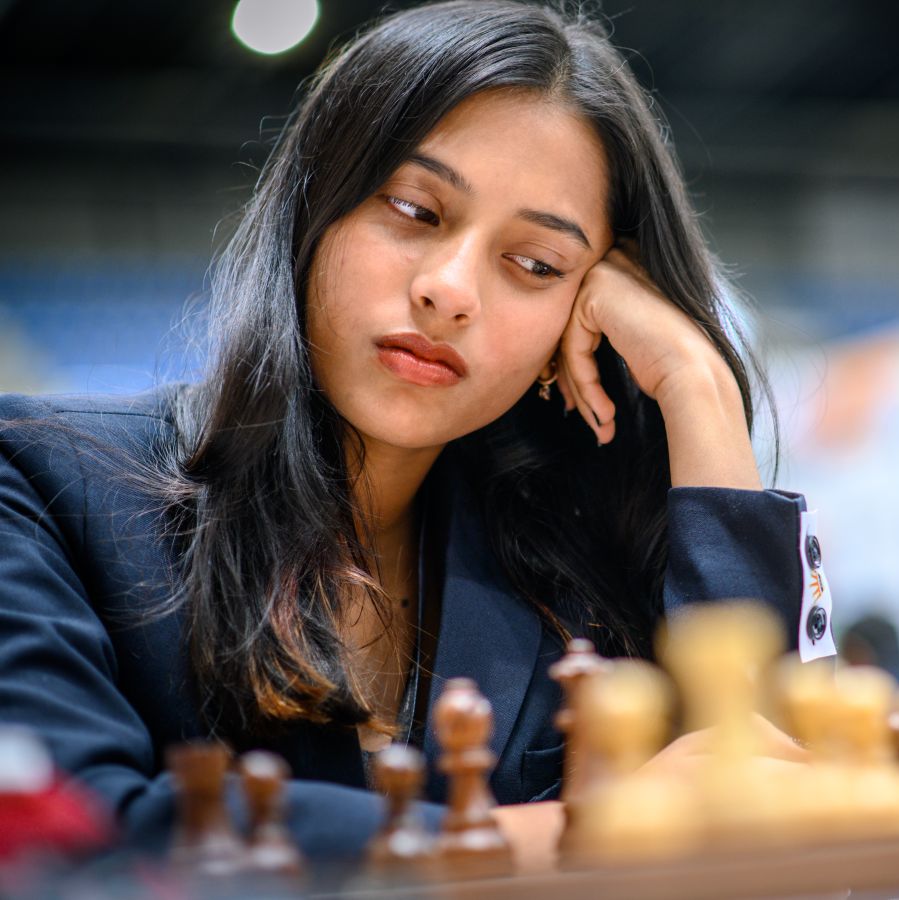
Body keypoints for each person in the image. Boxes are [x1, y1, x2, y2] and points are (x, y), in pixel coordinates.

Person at [0, 0, 832, 865]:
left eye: (535, 264)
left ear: (572, 319)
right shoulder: (39, 484)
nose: (450, 290)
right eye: (413, 209)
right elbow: (69, 840)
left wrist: (698, 385)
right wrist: (576, 838)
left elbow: (776, 812)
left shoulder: (563, 564)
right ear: (314, 205)